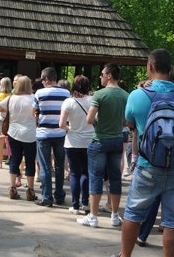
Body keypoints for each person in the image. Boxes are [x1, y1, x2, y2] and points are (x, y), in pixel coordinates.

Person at [114, 48, 174, 257]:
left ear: (150, 66)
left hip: (148, 166)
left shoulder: (137, 95)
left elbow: (130, 122)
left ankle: (125, 255)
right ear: (169, 68)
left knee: (133, 214)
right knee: (173, 220)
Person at [77, 63, 129, 228]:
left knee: (96, 178)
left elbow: (90, 119)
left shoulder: (99, 95)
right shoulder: (125, 95)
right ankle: (114, 215)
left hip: (100, 140)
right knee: (115, 178)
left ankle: (93, 216)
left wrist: (100, 123)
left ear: (109, 75)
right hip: (117, 139)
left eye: (102, 74)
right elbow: (127, 121)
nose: (100, 77)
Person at [0, 75, 37, 201]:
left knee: (14, 160)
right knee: (30, 161)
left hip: (13, 132)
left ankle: (12, 188)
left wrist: (6, 112)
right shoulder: (34, 98)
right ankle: (30, 190)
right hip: (30, 134)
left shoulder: (11, 98)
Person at [33, 67, 70, 206]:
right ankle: (59, 195)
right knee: (60, 165)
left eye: (43, 80)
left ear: (47, 79)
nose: (42, 82)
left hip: (43, 133)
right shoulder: (66, 93)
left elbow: (34, 110)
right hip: (60, 133)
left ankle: (46, 197)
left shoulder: (39, 93)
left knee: (45, 166)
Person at [59, 74, 94, 215]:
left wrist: (70, 129)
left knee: (74, 173)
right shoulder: (93, 100)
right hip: (89, 141)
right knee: (86, 173)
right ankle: (86, 203)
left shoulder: (68, 102)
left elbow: (61, 124)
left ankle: (75, 205)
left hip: (73, 142)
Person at [0, 77, 12, 167]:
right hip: (9, 120)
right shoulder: (12, 96)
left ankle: (0, 163)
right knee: (9, 142)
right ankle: (10, 159)